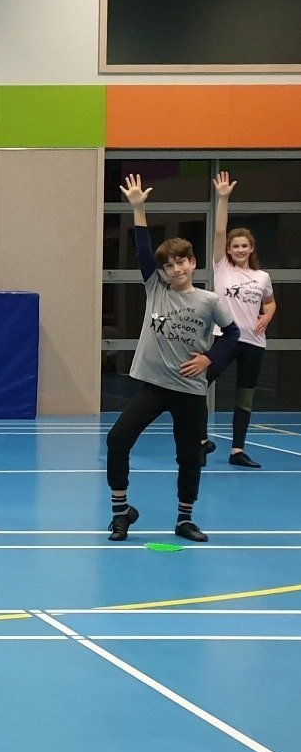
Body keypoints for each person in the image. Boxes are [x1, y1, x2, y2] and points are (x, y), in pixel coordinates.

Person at [106, 174, 241, 544]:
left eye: (182, 262)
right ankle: (121, 512)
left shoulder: (209, 301)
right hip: (154, 387)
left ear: (193, 263)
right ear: (163, 271)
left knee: (189, 457)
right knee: (118, 440)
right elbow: (142, 249)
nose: (176, 269)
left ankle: (185, 518)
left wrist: (209, 361)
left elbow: (233, 337)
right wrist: (138, 208)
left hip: (190, 392)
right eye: (170, 265)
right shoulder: (155, 289)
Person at [198, 170, 276, 468]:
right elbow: (219, 232)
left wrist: (266, 317)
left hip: (254, 342)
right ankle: (201, 441)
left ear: (251, 249)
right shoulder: (222, 269)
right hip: (224, 338)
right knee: (199, 383)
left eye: (245, 246)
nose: (240, 250)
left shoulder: (262, 276)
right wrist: (222, 199)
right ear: (228, 251)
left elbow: (270, 303)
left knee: (245, 398)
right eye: (235, 246)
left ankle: (237, 451)